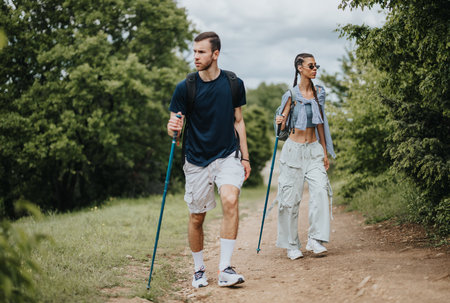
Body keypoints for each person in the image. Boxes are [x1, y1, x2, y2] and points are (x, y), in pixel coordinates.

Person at [167, 32, 251, 288]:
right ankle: (199, 269)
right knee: (196, 217)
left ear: (215, 54)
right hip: (196, 159)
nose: (196, 56)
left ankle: (225, 269)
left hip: (227, 155)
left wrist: (245, 157)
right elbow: (174, 129)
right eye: (194, 51)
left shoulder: (234, 83)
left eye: (201, 52)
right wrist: (172, 127)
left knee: (230, 199)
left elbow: (238, 120)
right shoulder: (185, 87)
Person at [275, 53, 336, 260]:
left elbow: (320, 122)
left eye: (316, 65)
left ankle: (315, 239)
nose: (315, 69)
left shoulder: (319, 92)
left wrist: (325, 152)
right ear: (300, 68)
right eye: (311, 66)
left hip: (313, 150)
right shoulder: (290, 94)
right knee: (290, 200)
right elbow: (281, 127)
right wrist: (279, 120)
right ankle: (291, 244)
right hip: (293, 151)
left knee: (320, 191)